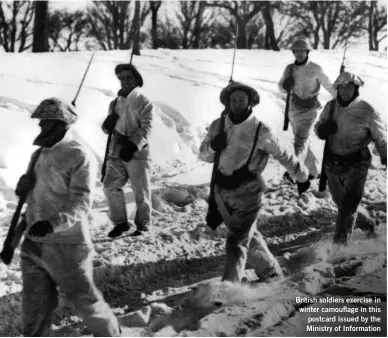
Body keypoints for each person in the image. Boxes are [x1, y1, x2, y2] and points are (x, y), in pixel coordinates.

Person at [15, 98, 121, 336]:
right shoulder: (39, 154)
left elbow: (82, 201)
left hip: (68, 245)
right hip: (34, 243)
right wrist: (24, 188)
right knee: (34, 309)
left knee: (86, 302)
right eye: (41, 122)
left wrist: (53, 224)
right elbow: (34, 196)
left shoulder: (79, 156)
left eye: (46, 122)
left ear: (61, 124)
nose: (41, 126)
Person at [199, 81, 310, 283]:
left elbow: (283, 154)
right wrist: (214, 145)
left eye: (242, 100)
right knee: (247, 235)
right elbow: (204, 156)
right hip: (221, 191)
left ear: (250, 102)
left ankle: (229, 287)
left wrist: (301, 175)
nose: (237, 103)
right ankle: (272, 272)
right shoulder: (218, 125)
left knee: (236, 241)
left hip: (248, 192)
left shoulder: (260, 130)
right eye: (233, 100)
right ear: (227, 102)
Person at [314, 71, 387, 245]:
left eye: (350, 87)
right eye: (342, 87)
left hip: (358, 162)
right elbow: (318, 127)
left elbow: (380, 137)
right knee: (341, 202)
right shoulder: (330, 107)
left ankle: (339, 245)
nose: (345, 91)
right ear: (337, 88)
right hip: (332, 162)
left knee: (348, 205)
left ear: (356, 89)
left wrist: (385, 154)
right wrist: (323, 129)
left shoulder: (367, 110)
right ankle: (368, 223)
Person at [102, 63, 154, 238]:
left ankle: (143, 224)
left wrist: (132, 144)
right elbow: (109, 129)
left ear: (137, 79)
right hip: (116, 150)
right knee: (110, 185)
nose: (124, 81)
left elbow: (147, 128)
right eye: (122, 78)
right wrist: (107, 124)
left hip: (136, 152)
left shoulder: (143, 101)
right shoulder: (114, 102)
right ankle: (121, 223)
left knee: (140, 190)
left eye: (128, 78)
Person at [278, 38, 336, 184]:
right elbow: (281, 87)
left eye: (302, 51)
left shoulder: (315, 68)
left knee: (300, 141)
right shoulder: (289, 69)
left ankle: (294, 172)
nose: (299, 54)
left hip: (310, 109)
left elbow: (328, 85)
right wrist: (285, 85)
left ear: (307, 52)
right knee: (303, 141)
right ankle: (314, 171)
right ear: (293, 52)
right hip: (293, 109)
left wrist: (340, 100)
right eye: (296, 51)